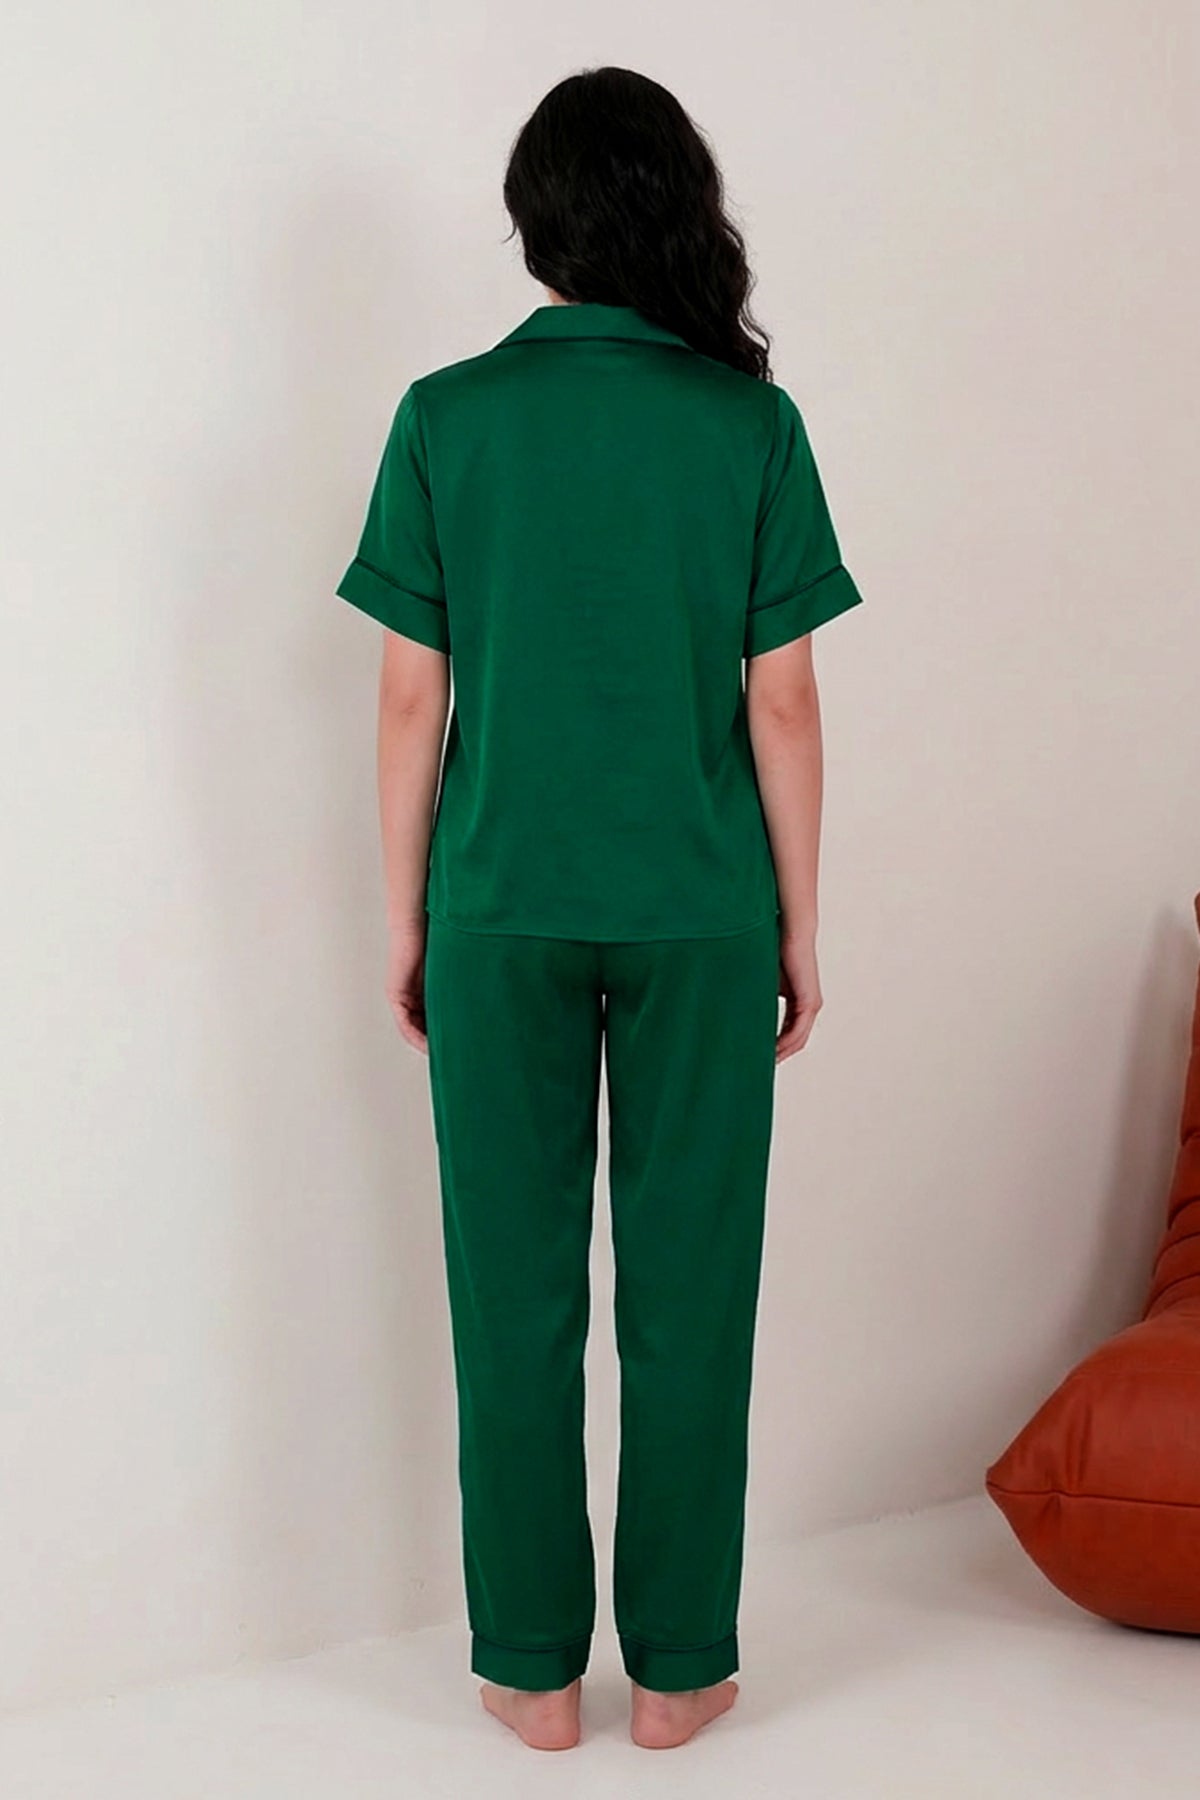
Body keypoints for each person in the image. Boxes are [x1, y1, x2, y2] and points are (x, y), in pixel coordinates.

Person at [334, 65, 864, 1753]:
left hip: (497, 905)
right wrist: (797, 923)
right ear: (677, 211)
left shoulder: (447, 418)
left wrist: (406, 917)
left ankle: (531, 1670)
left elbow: (409, 698)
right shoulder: (750, 425)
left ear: (535, 222)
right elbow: (782, 702)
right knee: (692, 1294)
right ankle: (685, 1668)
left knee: (512, 1298)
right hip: (703, 910)